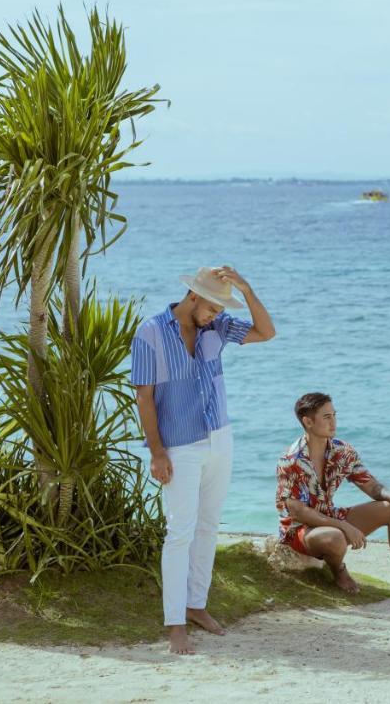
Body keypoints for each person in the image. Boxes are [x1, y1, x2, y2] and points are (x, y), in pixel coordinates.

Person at [130, 266, 276, 656]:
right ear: (193, 297)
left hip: (219, 438)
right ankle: (175, 623)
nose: (215, 314)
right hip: (179, 445)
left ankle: (196, 605)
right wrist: (157, 452)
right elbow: (144, 397)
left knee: (209, 525)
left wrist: (245, 288)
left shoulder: (218, 327)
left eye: (219, 309)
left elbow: (266, 332)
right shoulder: (151, 333)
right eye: (212, 306)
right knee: (180, 532)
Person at [275, 392, 390, 603]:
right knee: (335, 537)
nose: (333, 422)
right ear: (308, 422)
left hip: (329, 517)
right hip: (299, 530)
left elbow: (369, 484)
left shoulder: (342, 451)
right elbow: (298, 511)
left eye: (334, 415)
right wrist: (343, 526)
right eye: (326, 417)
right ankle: (338, 570)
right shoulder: (291, 460)